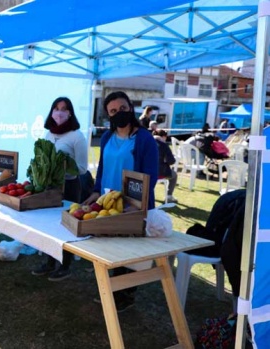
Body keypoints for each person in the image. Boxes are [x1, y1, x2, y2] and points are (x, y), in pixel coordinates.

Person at [83, 91, 158, 312]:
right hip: (108, 201)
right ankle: (113, 290)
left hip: (134, 205)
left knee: (129, 253)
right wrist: (96, 191)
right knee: (111, 249)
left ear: (131, 108)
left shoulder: (144, 139)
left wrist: (134, 203)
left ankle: (126, 294)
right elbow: (103, 169)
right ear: (108, 115)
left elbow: (150, 177)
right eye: (113, 111)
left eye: (123, 108)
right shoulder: (106, 137)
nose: (119, 113)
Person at [31, 96, 90, 282]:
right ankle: (49, 262)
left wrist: (61, 167)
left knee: (67, 226)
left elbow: (81, 168)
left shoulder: (77, 136)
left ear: (70, 113)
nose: (59, 112)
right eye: (56, 108)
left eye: (63, 109)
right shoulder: (49, 134)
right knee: (49, 224)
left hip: (70, 186)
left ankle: (65, 265)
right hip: (50, 187)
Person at [153, 129, 178, 203]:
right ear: (163, 137)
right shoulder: (164, 145)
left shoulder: (146, 143)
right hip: (159, 172)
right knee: (174, 175)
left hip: (145, 171)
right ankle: (169, 195)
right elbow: (172, 161)